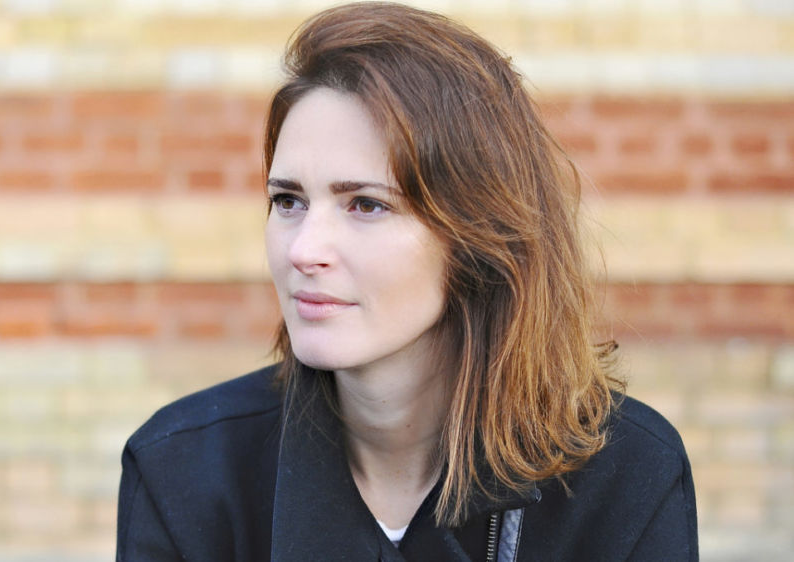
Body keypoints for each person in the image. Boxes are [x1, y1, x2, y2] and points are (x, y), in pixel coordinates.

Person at [116, 2, 698, 561]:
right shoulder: (185, 471)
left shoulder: (624, 476)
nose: (304, 251)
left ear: (477, 235)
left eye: (366, 205)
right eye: (288, 200)